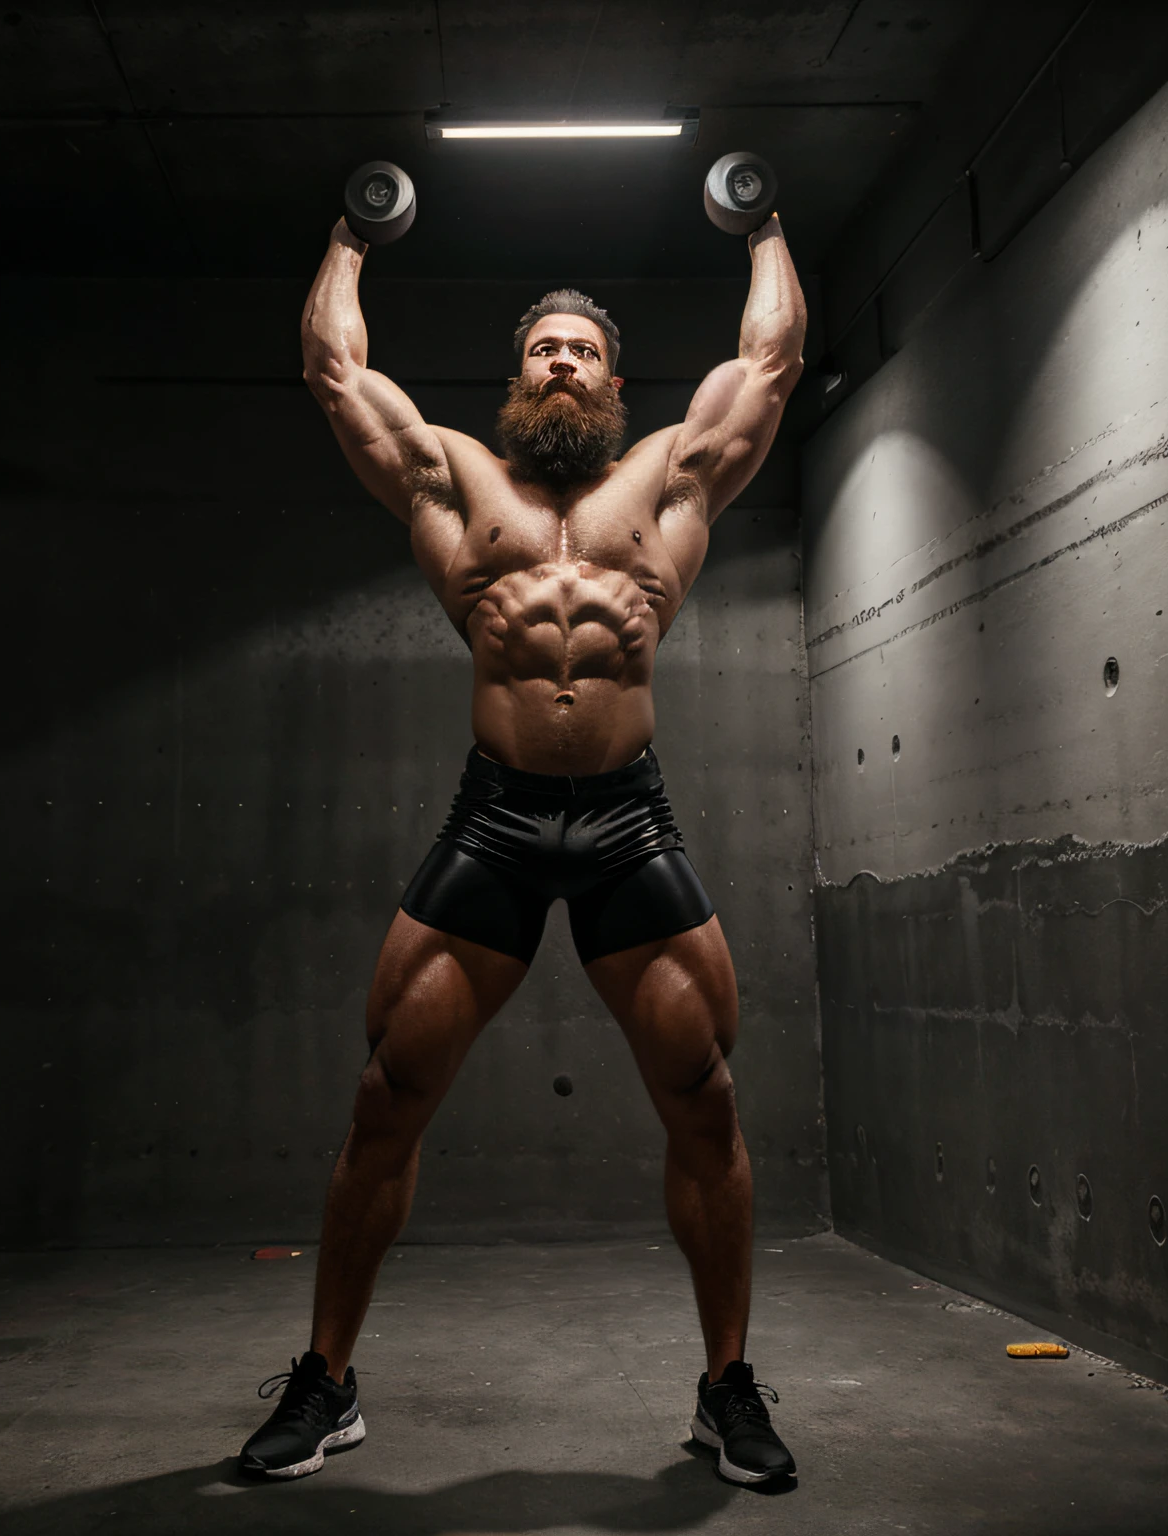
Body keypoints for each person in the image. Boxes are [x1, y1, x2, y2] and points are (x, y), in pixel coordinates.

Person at [239, 203, 807, 1487]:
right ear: (519, 377)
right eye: (542, 347)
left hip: (623, 819)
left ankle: (728, 1388)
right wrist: (345, 234)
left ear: (615, 379)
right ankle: (326, 1382)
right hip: (496, 817)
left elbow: (767, 365)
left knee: (705, 1097)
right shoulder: (456, 476)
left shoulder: (670, 476)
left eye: (582, 350)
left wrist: (765, 226)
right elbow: (338, 372)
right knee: (387, 1094)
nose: (560, 362)